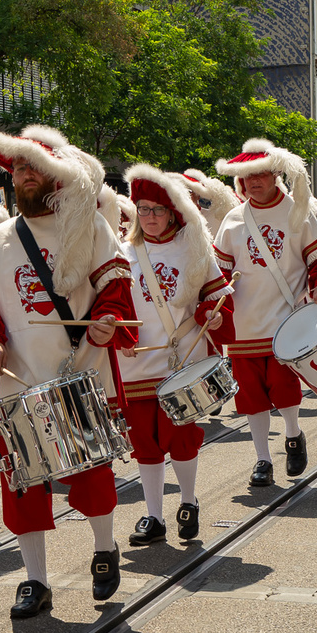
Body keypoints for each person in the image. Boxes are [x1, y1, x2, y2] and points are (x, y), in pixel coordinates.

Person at [0, 126, 138, 618]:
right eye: (17, 168)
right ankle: (35, 581)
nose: (23, 176)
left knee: (92, 475)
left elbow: (117, 288)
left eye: (32, 167)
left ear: (56, 177)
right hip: (21, 382)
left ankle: (104, 550)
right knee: (23, 485)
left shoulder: (90, 227)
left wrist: (108, 320)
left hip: (81, 373)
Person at [210, 139, 317, 488]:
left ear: (275, 175)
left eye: (260, 176)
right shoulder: (233, 219)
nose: (252, 182)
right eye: (246, 177)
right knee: (250, 395)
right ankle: (262, 459)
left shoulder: (300, 212)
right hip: (244, 324)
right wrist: (213, 306)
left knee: (283, 388)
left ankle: (294, 434)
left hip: (288, 319)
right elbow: (218, 273)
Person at [114, 164, 232, 546]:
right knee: (144, 442)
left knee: (180, 435)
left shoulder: (195, 248)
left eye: (157, 210)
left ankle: (187, 501)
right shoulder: (122, 251)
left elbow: (219, 300)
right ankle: (152, 515)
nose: (149, 217)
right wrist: (117, 334)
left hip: (182, 360)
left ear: (173, 212)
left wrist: (212, 318)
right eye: (142, 209)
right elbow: (109, 305)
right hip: (135, 362)